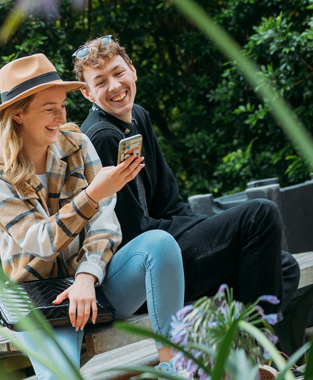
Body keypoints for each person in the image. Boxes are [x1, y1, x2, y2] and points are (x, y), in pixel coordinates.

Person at [0, 54, 187, 380]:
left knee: (160, 244)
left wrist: (87, 277)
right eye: (50, 108)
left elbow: (105, 224)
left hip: (97, 284)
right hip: (42, 301)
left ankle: (174, 370)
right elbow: (38, 242)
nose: (61, 116)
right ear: (18, 114)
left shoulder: (77, 143)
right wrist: (92, 195)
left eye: (62, 104)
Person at [72, 35, 300, 325]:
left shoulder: (138, 117)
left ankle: (241, 351)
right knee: (260, 214)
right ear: (88, 94)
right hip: (146, 272)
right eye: (101, 82)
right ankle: (261, 347)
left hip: (172, 246)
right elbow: (130, 232)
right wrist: (209, 231)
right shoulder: (102, 136)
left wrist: (207, 231)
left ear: (132, 70)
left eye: (118, 73)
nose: (115, 87)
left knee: (284, 267)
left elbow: (169, 201)